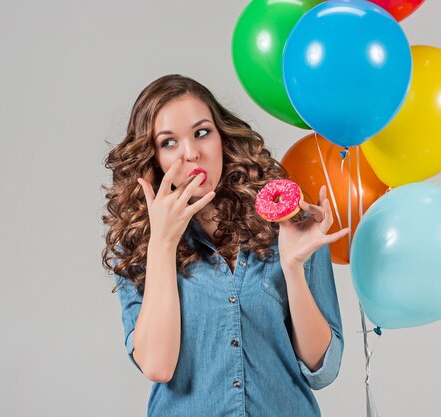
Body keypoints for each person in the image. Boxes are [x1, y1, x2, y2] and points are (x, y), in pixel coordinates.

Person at [101, 74, 350, 417]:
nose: (192, 153)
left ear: (222, 137)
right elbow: (158, 366)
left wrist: (292, 268)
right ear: (153, 158)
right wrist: (162, 242)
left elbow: (323, 367)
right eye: (169, 143)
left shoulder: (289, 223)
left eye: (202, 133)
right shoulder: (139, 246)